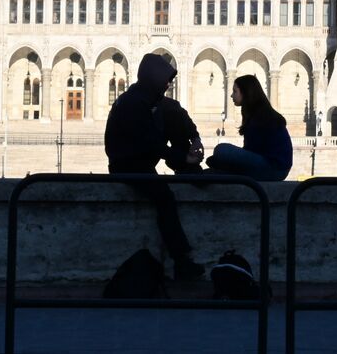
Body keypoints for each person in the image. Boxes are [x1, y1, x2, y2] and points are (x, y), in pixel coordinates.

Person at [103, 53, 205, 280]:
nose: (169, 84)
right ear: (154, 78)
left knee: (171, 113)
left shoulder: (149, 99)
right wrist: (184, 158)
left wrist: (194, 137)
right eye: (166, 79)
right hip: (127, 165)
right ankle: (182, 260)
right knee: (164, 197)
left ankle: (189, 172)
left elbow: (177, 112)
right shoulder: (133, 103)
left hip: (141, 159)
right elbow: (151, 143)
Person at [205, 75, 292, 181]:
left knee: (221, 150)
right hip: (276, 168)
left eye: (235, 91)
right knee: (221, 154)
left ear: (245, 92)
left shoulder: (259, 116)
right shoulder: (258, 113)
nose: (231, 95)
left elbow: (252, 151)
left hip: (273, 168)